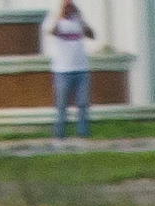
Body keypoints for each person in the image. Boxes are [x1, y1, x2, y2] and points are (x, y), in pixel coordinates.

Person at [45, 0, 95, 140]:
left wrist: (81, 19)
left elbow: (91, 35)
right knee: (61, 104)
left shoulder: (78, 19)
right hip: (62, 69)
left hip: (81, 68)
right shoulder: (54, 18)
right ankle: (59, 134)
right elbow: (51, 31)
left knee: (83, 103)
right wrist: (59, 15)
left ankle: (83, 134)